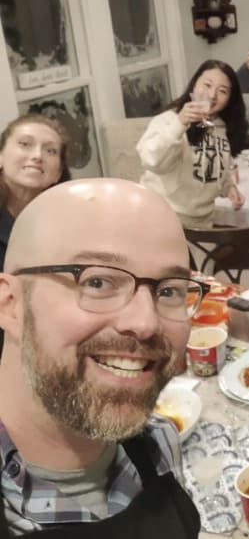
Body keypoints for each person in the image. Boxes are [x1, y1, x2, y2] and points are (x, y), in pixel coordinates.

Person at [0, 178, 206, 536]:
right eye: (97, 282)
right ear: (10, 304)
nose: (145, 322)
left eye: (169, 290)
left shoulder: (158, 443)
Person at [137, 60, 248, 229]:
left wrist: (228, 187)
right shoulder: (169, 120)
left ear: (230, 99)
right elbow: (151, 160)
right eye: (207, 85)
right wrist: (180, 124)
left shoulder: (221, 126)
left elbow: (215, 164)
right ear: (194, 85)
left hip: (202, 224)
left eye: (222, 91)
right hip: (161, 219)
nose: (212, 95)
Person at [0, 114, 70, 269]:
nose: (37, 156)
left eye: (50, 151)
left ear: (58, 173)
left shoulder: (69, 221)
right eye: (25, 144)